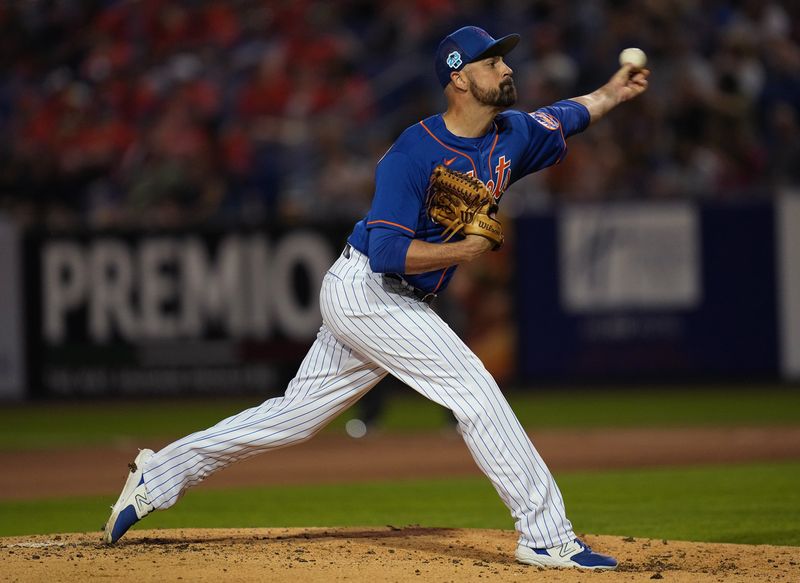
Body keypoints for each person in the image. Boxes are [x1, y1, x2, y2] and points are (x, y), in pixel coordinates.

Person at [103, 25, 649, 570]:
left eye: (503, 61)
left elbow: (572, 113)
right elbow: (387, 252)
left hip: (395, 299)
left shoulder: (514, 133)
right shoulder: (412, 153)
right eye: (491, 62)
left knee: (292, 419)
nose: (506, 69)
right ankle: (546, 535)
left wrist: (614, 91)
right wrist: (464, 251)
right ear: (459, 78)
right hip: (367, 288)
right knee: (475, 391)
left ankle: (161, 472)